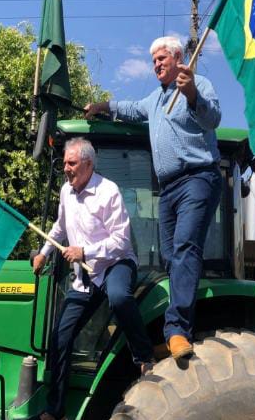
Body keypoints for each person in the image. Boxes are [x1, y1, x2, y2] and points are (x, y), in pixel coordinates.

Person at [85, 36, 222, 359]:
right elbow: (130, 109)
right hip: (169, 188)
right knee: (169, 257)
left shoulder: (199, 84)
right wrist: (103, 107)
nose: (156, 65)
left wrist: (191, 94)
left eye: (162, 59)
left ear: (177, 58)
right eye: (153, 61)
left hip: (198, 178)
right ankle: (169, 329)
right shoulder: (155, 100)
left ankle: (176, 330)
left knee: (186, 247)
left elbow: (212, 118)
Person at [24, 137, 154, 420]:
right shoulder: (66, 192)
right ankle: (55, 411)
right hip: (86, 274)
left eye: (71, 163)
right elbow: (60, 226)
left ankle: (144, 358)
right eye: (65, 164)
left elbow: (121, 242)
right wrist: (44, 254)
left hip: (115, 264)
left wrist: (85, 251)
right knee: (59, 336)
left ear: (88, 164)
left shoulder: (108, 191)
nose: (66, 169)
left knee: (120, 297)